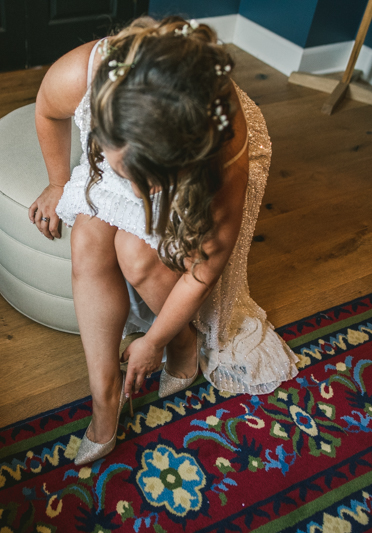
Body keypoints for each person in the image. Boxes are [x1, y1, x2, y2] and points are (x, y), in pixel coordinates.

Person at [28, 16, 299, 466]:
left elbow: (207, 265)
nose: (136, 196)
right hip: (145, 151)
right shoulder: (81, 73)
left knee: (136, 253)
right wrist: (58, 181)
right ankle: (105, 397)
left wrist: (154, 341)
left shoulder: (222, 146)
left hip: (193, 176)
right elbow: (45, 109)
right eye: (126, 175)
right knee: (88, 242)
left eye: (146, 186)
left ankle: (182, 343)